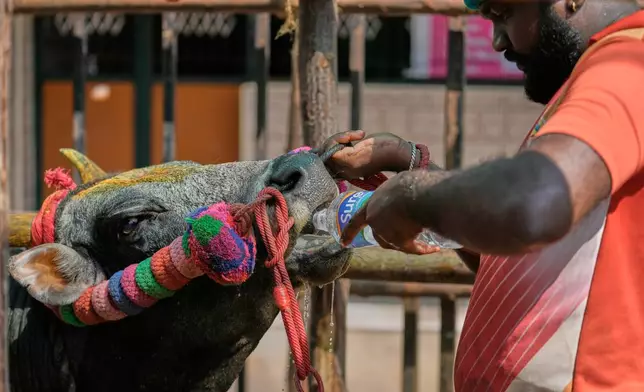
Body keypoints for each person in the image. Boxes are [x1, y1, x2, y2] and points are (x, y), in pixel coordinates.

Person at [323, 1, 644, 391]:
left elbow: (533, 202)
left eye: (503, 13)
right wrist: (409, 163)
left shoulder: (627, 67)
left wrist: (412, 197)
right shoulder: (598, 74)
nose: (496, 41)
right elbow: (516, 261)